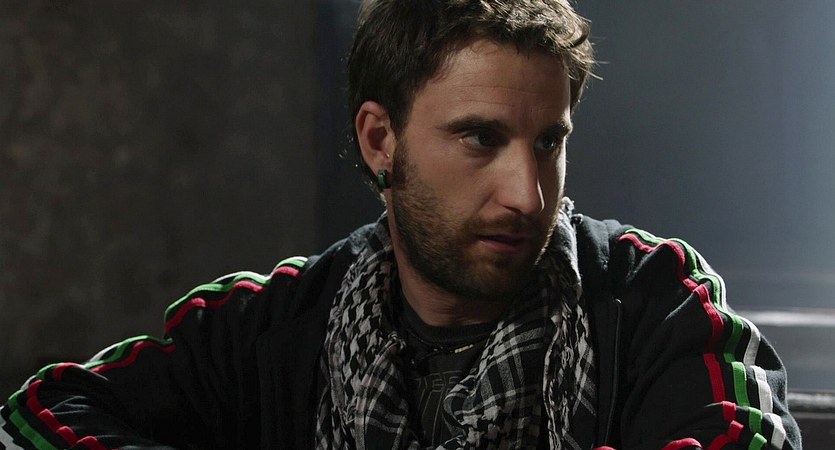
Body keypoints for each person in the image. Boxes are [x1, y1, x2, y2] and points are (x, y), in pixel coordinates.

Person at [0, 0, 801, 449]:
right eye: (480, 138)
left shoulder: (655, 298)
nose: (527, 195)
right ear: (379, 140)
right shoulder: (267, 325)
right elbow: (38, 417)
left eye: (548, 143)